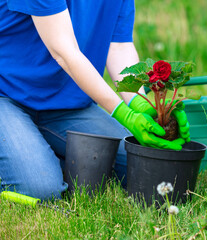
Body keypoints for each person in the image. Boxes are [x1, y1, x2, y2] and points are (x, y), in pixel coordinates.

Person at [0, 0, 190, 200]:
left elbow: (119, 47)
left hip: (67, 105)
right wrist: (123, 114)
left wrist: (139, 103)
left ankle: (35, 150)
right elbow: (64, 52)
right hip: (6, 95)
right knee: (42, 190)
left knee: (147, 168)